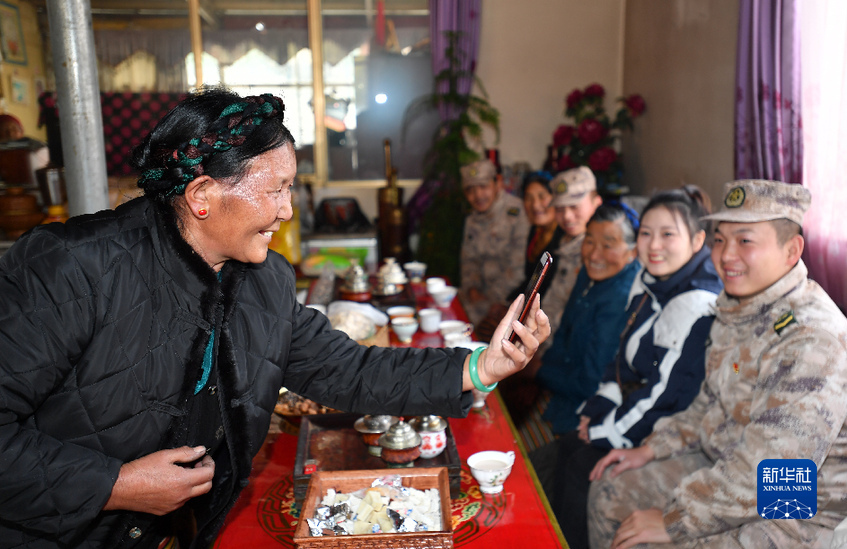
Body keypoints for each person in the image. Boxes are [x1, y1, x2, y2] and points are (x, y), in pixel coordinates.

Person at [0, 89, 551, 549]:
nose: (288, 210)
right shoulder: (69, 269)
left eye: (291, 188)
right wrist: (115, 485)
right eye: (276, 190)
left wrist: (482, 366)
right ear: (202, 195)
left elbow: (349, 370)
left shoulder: (263, 281)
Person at [587, 179, 847, 549]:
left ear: (792, 250)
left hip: (791, 509)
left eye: (745, 241)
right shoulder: (738, 309)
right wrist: (653, 447)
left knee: (649, 541)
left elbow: (777, 475)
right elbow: (710, 403)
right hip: (727, 464)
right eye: (721, 240)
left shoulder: (811, 339)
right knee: (611, 489)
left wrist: (676, 521)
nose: (726, 255)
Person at [552, 185, 723, 548]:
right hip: (646, 410)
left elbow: (666, 396)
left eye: (667, 235)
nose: (654, 245)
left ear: (697, 241)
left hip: (674, 422)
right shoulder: (649, 281)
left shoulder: (696, 302)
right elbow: (621, 360)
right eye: (646, 233)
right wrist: (597, 408)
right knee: (567, 450)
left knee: (583, 467)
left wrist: (603, 431)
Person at [529, 203, 641, 491]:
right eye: (589, 241)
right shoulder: (589, 274)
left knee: (517, 461)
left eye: (608, 244)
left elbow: (591, 382)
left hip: (581, 417)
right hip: (556, 394)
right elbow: (563, 336)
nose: (594, 254)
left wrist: (538, 371)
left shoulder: (620, 298)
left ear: (633, 252)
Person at [475, 170, 564, 342]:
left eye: (542, 196)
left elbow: (549, 292)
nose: (535, 205)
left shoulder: (562, 240)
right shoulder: (535, 232)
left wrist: (516, 312)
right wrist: (507, 303)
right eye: (528, 198)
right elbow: (531, 279)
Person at [458, 158, 530, 326]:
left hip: (506, 300)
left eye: (483, 187)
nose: (478, 196)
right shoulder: (472, 220)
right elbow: (468, 261)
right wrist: (472, 289)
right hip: (476, 298)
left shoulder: (517, 213)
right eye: (470, 190)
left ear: (498, 183)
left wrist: (489, 299)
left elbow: (517, 270)